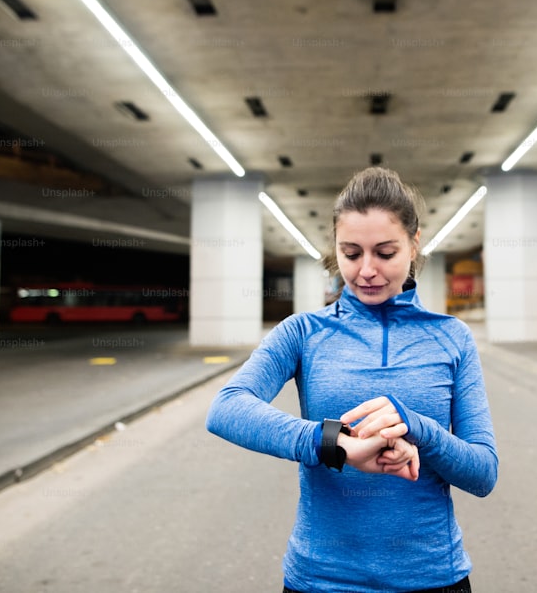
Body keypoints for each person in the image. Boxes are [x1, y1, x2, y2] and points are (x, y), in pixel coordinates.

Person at [206, 167, 498, 593]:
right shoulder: (302, 332)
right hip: (321, 579)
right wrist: (335, 444)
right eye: (351, 253)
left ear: (414, 243)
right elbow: (227, 407)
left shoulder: (452, 337)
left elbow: (483, 472)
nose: (366, 271)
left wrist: (417, 429)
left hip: (432, 577)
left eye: (385, 252)